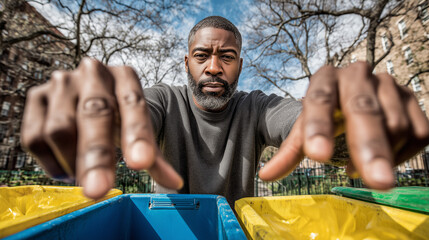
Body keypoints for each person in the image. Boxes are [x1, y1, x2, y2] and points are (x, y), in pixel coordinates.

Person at [20, 16, 429, 206]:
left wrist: (350, 129)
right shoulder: (165, 98)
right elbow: (136, 116)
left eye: (227, 57)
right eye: (203, 55)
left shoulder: (255, 106)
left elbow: (296, 120)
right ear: (186, 63)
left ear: (240, 65)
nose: (214, 67)